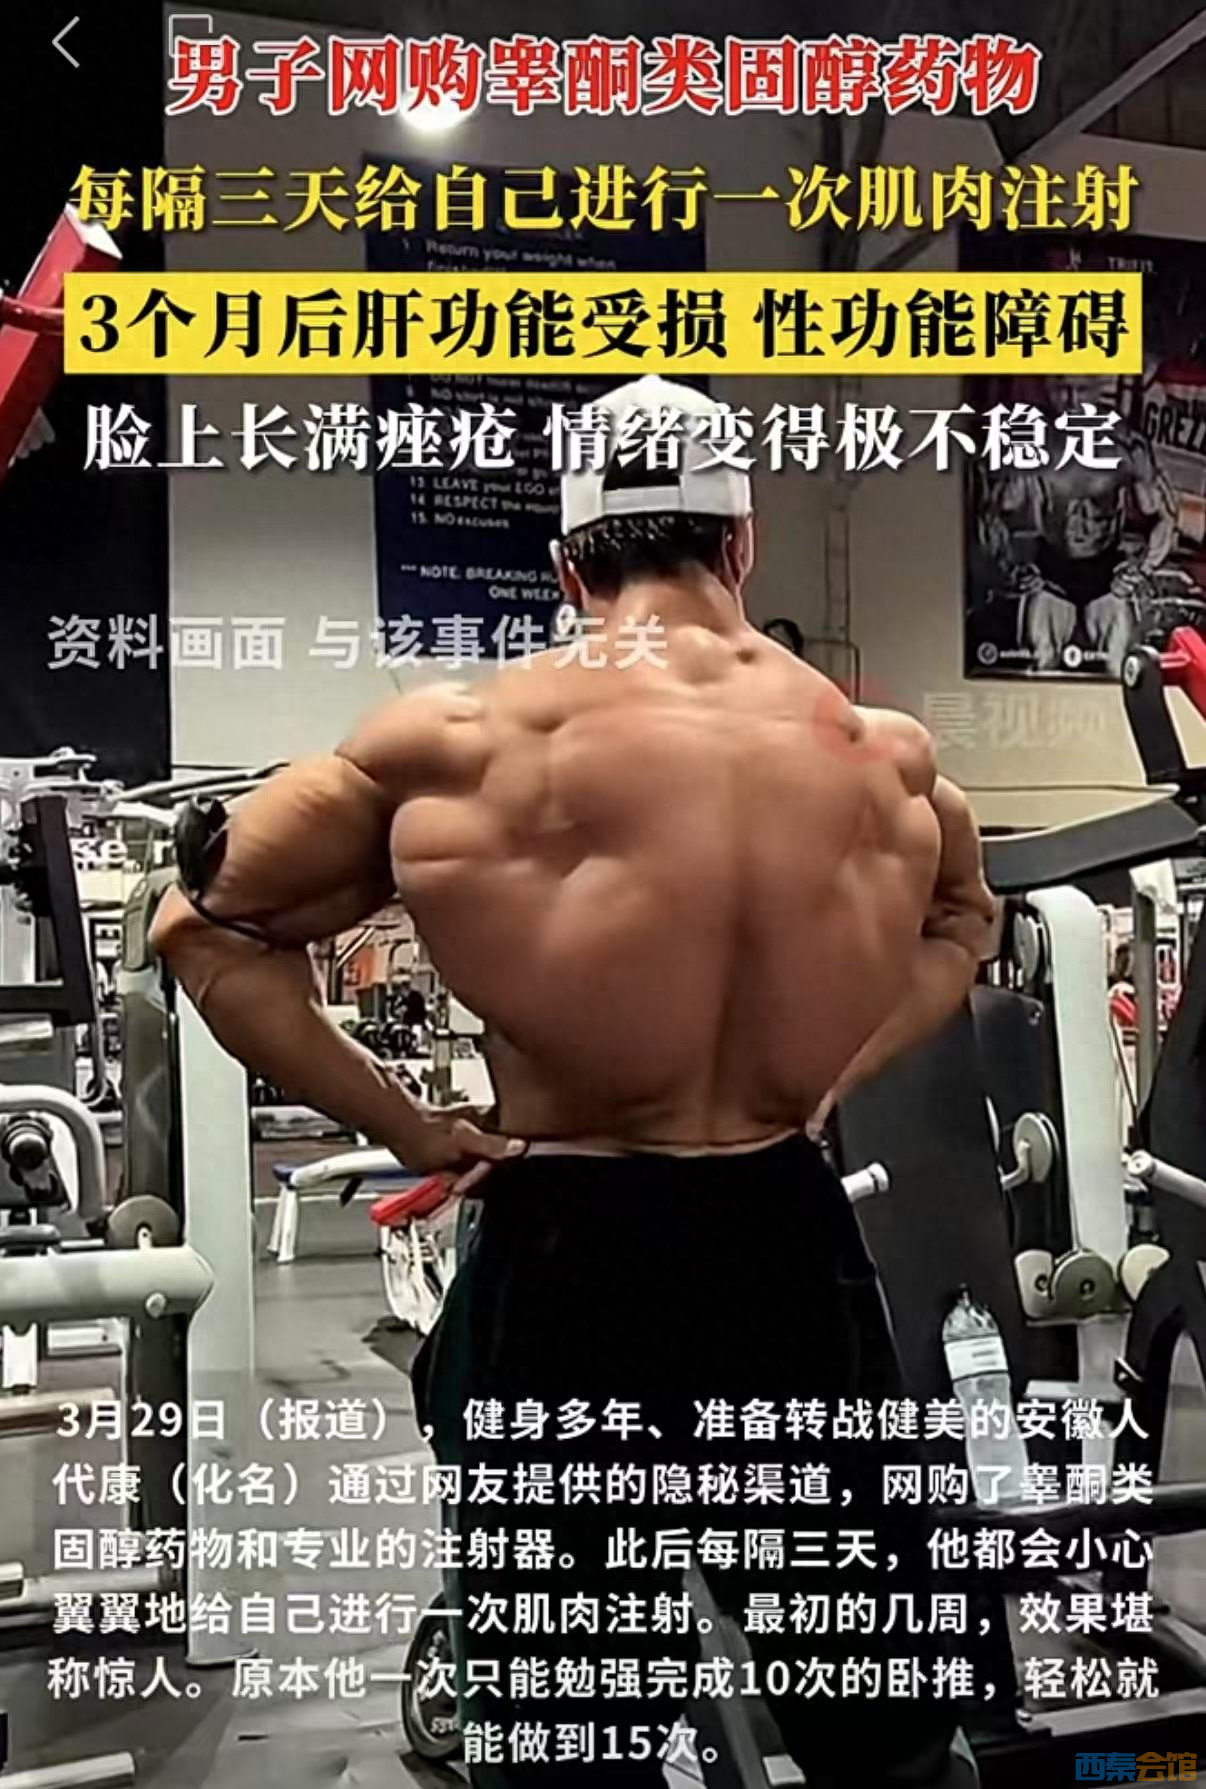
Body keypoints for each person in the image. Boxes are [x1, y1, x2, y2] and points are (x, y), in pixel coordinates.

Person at [151, 374, 995, 1788]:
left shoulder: (461, 746)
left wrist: (409, 1123)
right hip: (783, 1240)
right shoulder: (890, 761)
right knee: (882, 1718)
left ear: (566, 566)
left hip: (569, 1248)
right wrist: (827, 1070)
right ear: (743, 543)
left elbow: (201, 926)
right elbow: (962, 924)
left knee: (567, 1738)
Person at [982, 373, 1178, 676]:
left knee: (1120, 671)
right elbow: (991, 514)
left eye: (1082, 390)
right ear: (1048, 388)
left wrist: (1141, 571)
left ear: (1098, 389)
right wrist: (1012, 568)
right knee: (1041, 666)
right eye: (1062, 390)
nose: (1072, 401)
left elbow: (1165, 516)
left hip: (1106, 574)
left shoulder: (1126, 443)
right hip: (1051, 572)